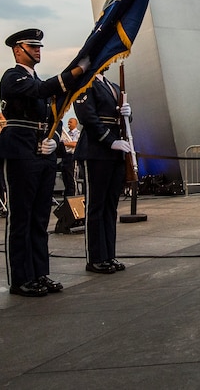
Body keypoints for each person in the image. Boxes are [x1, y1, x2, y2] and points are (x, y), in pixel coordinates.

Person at [0, 28, 84, 297]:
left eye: (39, 47)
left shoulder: (38, 81)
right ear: (17, 50)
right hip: (20, 149)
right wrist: (75, 73)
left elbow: (53, 116)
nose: (37, 50)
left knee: (39, 217)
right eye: (31, 46)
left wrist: (55, 138)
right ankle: (21, 278)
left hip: (42, 151)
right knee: (21, 217)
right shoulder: (13, 77)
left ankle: (39, 272)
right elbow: (42, 90)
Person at [74, 67, 132, 274]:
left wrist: (128, 114)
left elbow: (122, 121)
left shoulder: (114, 87)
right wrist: (110, 141)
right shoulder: (85, 84)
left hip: (115, 151)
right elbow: (87, 117)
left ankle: (109, 255)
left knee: (110, 207)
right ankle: (96, 257)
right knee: (96, 207)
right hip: (96, 150)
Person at [57, 116, 79, 197]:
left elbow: (75, 144)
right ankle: (67, 197)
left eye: (70, 122)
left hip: (72, 157)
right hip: (65, 156)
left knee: (71, 179)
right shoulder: (67, 134)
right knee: (65, 178)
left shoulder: (77, 133)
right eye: (68, 122)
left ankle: (73, 196)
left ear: (75, 124)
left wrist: (64, 144)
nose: (68, 124)